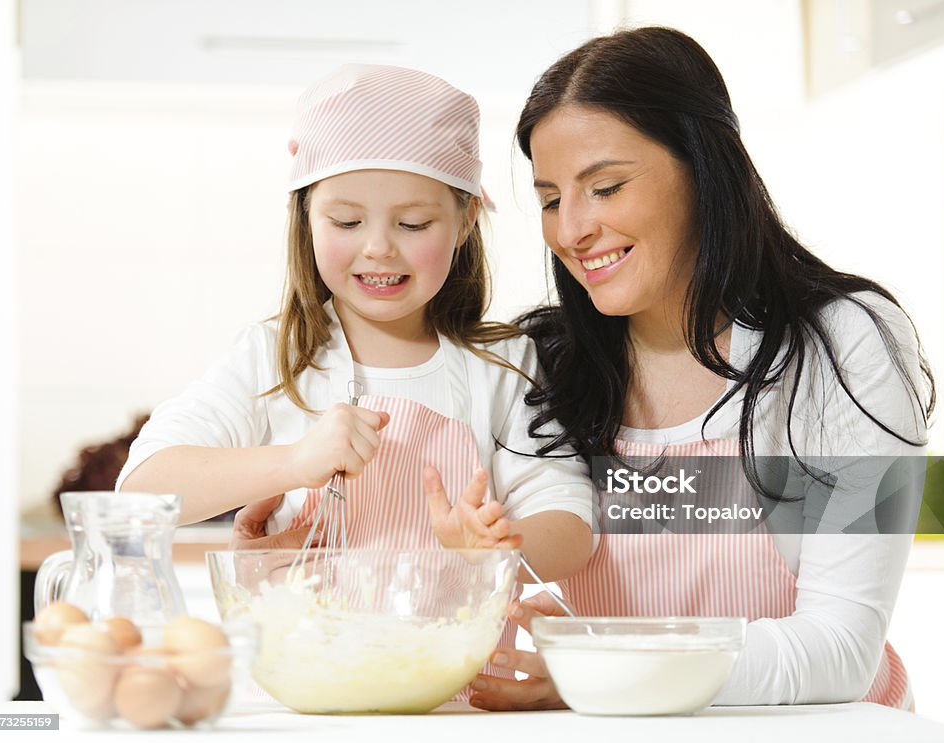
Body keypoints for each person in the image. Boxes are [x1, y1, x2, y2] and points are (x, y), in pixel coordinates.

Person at [467, 27, 934, 710]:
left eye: (605, 186)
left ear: (702, 166)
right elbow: (439, 533)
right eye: (549, 198)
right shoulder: (545, 364)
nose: (571, 230)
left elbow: (842, 647)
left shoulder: (841, 343)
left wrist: (606, 667)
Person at [117, 64, 593, 581]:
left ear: (464, 222)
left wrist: (496, 556)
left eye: (413, 223)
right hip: (302, 658)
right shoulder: (274, 357)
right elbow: (142, 491)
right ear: (307, 219)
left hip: (458, 661)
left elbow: (569, 520)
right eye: (346, 222)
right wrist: (294, 462)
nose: (379, 248)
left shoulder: (503, 365)